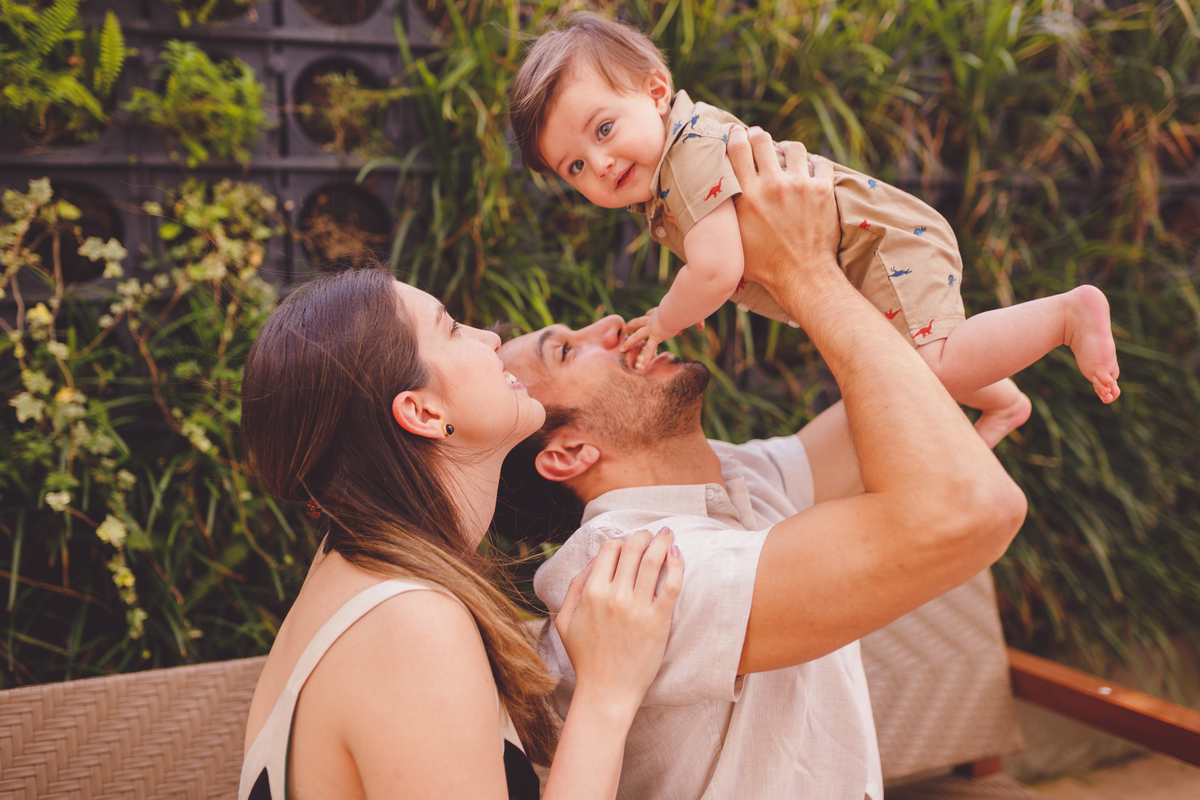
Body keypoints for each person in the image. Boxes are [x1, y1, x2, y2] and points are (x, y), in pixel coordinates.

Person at [495, 126, 1028, 800]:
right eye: (568, 351)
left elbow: (915, 382)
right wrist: (801, 270)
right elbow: (974, 509)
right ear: (569, 453)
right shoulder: (634, 570)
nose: (608, 324)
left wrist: (835, 238)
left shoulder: (735, 477)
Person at [509, 11, 1120, 447]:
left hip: (881, 244)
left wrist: (666, 319)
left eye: (604, 130)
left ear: (656, 91)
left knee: (925, 370)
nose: (600, 163)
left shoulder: (687, 153)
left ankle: (1066, 315)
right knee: (905, 361)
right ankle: (1006, 401)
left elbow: (716, 269)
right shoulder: (668, 174)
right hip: (866, 251)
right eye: (575, 167)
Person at [235, 267, 684, 800]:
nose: (490, 338)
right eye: (451, 327)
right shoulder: (410, 624)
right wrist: (606, 694)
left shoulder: (355, 575)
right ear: (423, 411)